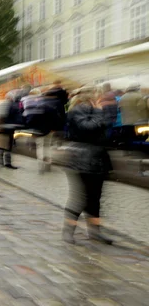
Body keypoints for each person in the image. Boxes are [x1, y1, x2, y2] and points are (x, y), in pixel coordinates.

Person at [62, 91, 113, 245]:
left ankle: (95, 232)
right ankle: (68, 231)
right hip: (83, 159)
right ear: (89, 100)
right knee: (80, 198)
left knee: (95, 199)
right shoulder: (78, 110)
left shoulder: (89, 112)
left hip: (95, 158)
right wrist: (99, 111)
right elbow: (88, 128)